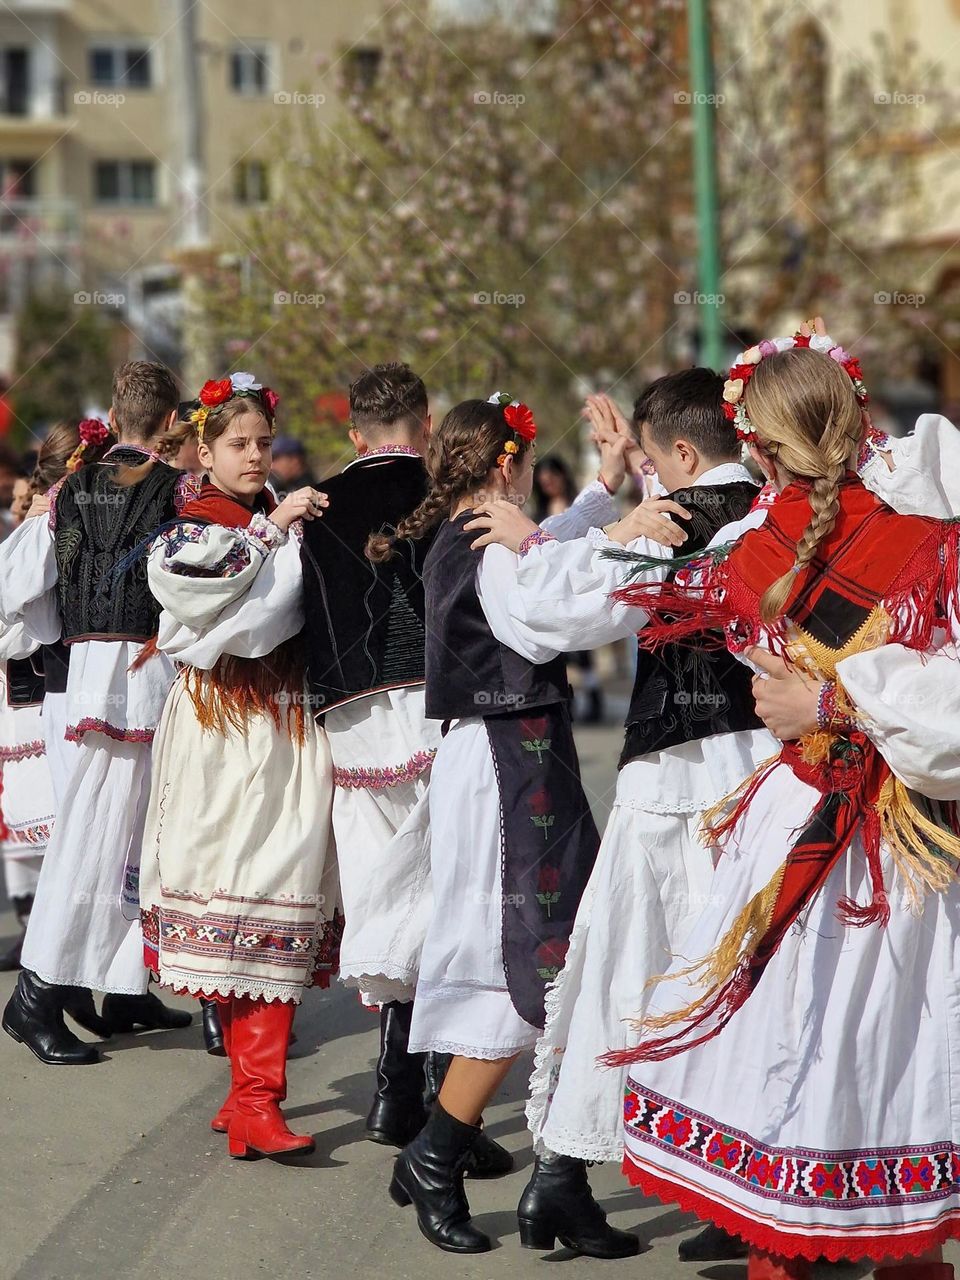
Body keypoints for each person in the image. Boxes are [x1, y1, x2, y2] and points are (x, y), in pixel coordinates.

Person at [606, 335, 960, 1279]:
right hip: (878, 835)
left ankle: (804, 1247)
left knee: (794, 1054)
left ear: (760, 448)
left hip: (861, 830)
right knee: (884, 1054)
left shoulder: (878, 539)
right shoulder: (926, 536)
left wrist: (829, 704)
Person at [465, 367, 773, 1264]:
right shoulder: (772, 509)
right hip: (756, 774)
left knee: (623, 971)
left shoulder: (670, 521)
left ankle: (560, 1175)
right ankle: (725, 1185)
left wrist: (540, 538)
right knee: (737, 981)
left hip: (665, 775)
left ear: (678, 453)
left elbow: (548, 616)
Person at [368, 392, 634, 1257]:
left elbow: (542, 555)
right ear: (504, 465)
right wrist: (639, 548)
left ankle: (547, 1176)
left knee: (546, 953)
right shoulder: (491, 538)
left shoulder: (469, 526)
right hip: (503, 761)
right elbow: (559, 609)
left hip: (498, 754)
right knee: (532, 955)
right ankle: (440, 1154)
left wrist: (605, 492)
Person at [138, 371, 339, 1160]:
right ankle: (254, 1097)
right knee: (251, 889)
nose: (256, 455)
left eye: (262, 442)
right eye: (238, 443)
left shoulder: (263, 519)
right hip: (227, 732)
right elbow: (220, 612)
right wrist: (276, 534)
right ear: (203, 450)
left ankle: (249, 1096)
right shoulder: (191, 529)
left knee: (269, 887)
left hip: (277, 727)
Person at [0, 362, 194, 1065]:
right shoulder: (180, 490)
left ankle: (123, 981)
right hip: (141, 673)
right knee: (95, 840)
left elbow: (16, 584)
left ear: (113, 415)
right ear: (171, 421)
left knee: (124, 840)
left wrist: (62, 628)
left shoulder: (67, 492)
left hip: (87, 677)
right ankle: (35, 996)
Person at [0, 422, 116, 971]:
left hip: (94, 692)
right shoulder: (50, 522)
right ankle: (46, 987)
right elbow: (21, 611)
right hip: (69, 692)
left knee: (111, 850)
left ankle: (113, 990)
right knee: (81, 849)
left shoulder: (75, 516)